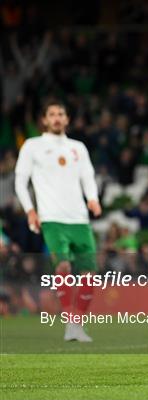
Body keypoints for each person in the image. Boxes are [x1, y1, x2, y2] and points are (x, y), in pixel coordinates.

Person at [15, 101, 101, 342]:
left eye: (60, 114)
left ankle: (78, 325)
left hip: (79, 219)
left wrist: (92, 199)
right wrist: (30, 210)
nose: (56, 118)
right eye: (51, 114)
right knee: (63, 266)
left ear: (67, 119)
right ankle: (70, 323)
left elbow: (88, 177)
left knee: (89, 274)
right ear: (44, 120)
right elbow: (21, 181)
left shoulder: (78, 148)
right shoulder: (33, 146)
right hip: (52, 218)